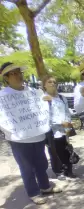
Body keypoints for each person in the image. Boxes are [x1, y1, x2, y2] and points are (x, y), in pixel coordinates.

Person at [0, 62, 62, 204]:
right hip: (19, 140)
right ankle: (33, 192)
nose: (18, 76)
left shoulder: (35, 93)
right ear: (6, 78)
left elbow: (45, 111)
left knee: (41, 164)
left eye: (19, 72)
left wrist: (48, 102)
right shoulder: (2, 96)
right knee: (26, 167)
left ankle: (45, 186)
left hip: (38, 136)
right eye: (13, 73)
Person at [42, 75, 77, 179]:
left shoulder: (62, 97)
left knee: (66, 150)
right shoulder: (43, 99)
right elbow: (45, 116)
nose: (52, 84)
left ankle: (69, 170)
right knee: (54, 152)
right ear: (44, 85)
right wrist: (60, 123)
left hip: (64, 129)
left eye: (54, 82)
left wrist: (68, 124)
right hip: (51, 130)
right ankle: (58, 171)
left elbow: (67, 112)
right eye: (49, 82)